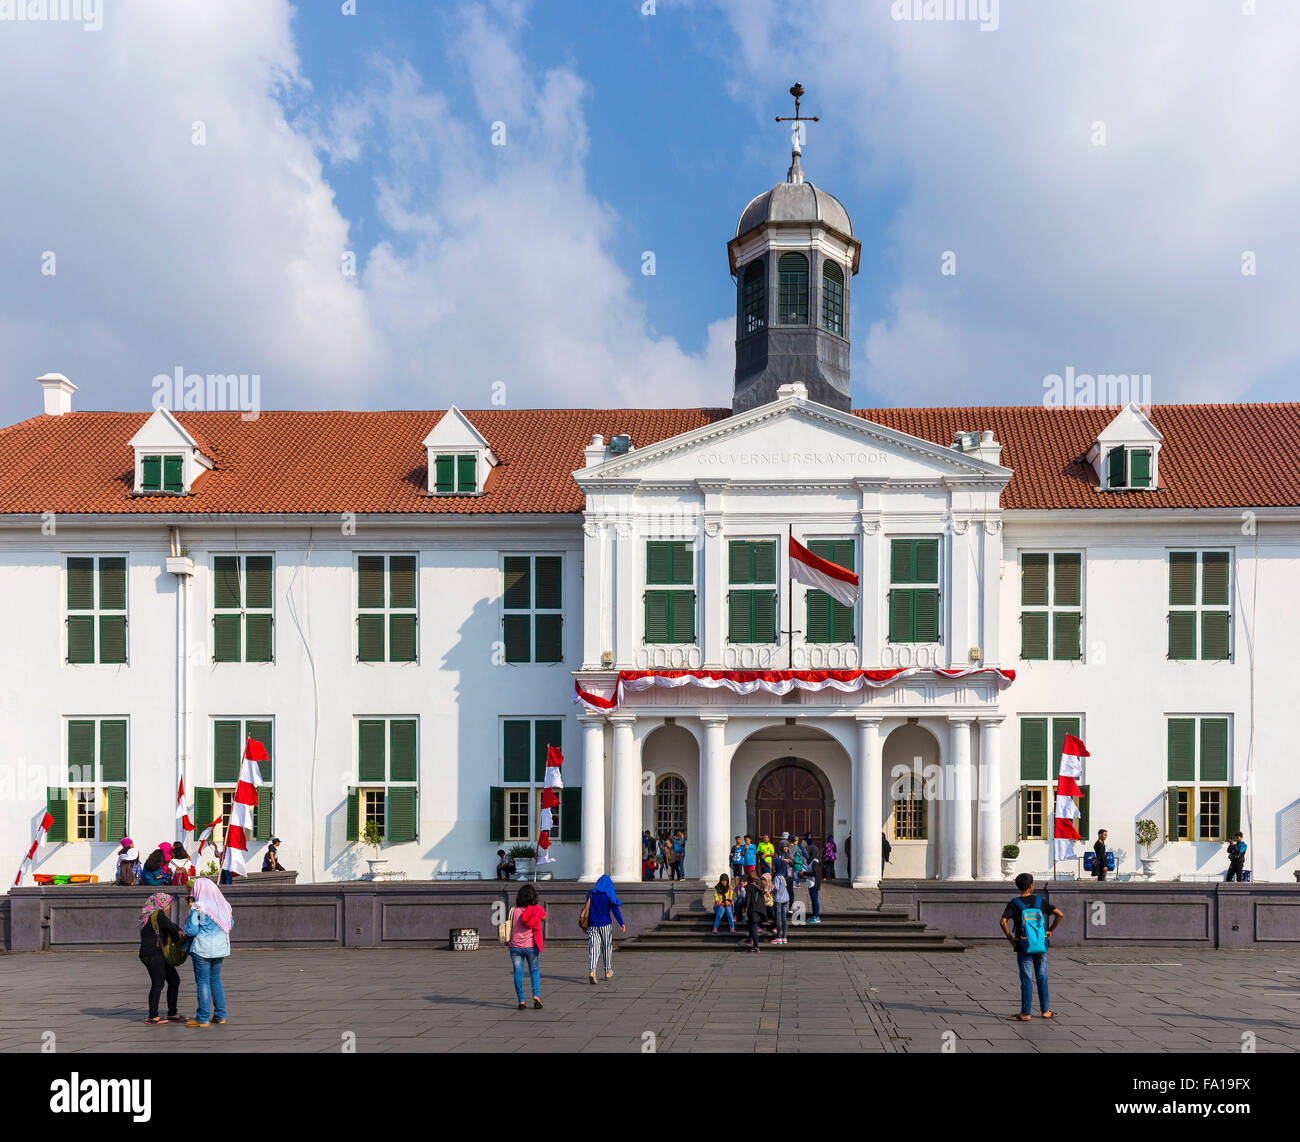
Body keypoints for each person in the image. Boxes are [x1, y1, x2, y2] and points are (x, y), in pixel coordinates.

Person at [1000, 873, 1063, 1021]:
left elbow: (1003, 922)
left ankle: (1025, 1013)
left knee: (1026, 978)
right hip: (1040, 945)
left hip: (1023, 945)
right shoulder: (1039, 901)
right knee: (1042, 977)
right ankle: (1045, 1011)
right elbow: (1059, 914)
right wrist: (1050, 931)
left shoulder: (1015, 903)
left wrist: (1010, 938)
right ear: (1031, 886)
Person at [184, 878, 234, 1028]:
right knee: (215, 981)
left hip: (203, 948)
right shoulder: (224, 905)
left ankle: (202, 1017)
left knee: (203, 982)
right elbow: (230, 924)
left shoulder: (199, 906)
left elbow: (192, 930)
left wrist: (189, 911)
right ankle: (220, 1015)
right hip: (221, 948)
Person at [138, 891, 185, 1024]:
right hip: (152, 954)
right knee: (158, 983)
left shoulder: (154, 915)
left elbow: (170, 925)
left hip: (159, 954)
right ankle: (153, 1016)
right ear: (161, 904)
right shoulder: (157, 914)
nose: (169, 907)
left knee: (174, 980)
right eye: (168, 904)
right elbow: (171, 927)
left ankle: (172, 1013)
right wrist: (180, 935)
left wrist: (177, 930)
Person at [507, 882, 546, 1009]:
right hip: (531, 946)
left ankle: (521, 1001)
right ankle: (536, 996)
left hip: (515, 947)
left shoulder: (514, 910)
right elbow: (543, 917)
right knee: (534, 971)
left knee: (518, 973)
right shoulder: (536, 910)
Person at [584, 874, 626, 983]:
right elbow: (615, 909)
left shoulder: (591, 894)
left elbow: (587, 910)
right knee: (607, 947)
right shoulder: (608, 894)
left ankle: (592, 971)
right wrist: (621, 923)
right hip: (605, 925)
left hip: (592, 925)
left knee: (594, 948)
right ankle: (607, 971)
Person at [744, 872, 765, 953]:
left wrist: (745, 908)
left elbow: (748, 900)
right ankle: (750, 939)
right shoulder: (760, 885)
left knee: (754, 927)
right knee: (750, 924)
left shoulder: (749, 887)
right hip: (761, 909)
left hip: (753, 909)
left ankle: (756, 947)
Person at [771, 870, 790, 945]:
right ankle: (784, 937)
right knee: (784, 918)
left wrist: (771, 892)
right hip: (785, 898)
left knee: (778, 919)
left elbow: (776, 888)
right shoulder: (782, 875)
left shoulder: (776, 877)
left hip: (778, 899)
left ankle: (779, 937)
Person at [803, 854, 823, 923]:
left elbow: (815, 873)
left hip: (813, 883)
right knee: (814, 900)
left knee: (815, 900)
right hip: (812, 883)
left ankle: (816, 917)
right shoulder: (814, 861)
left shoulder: (814, 861)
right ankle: (815, 915)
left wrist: (804, 873)